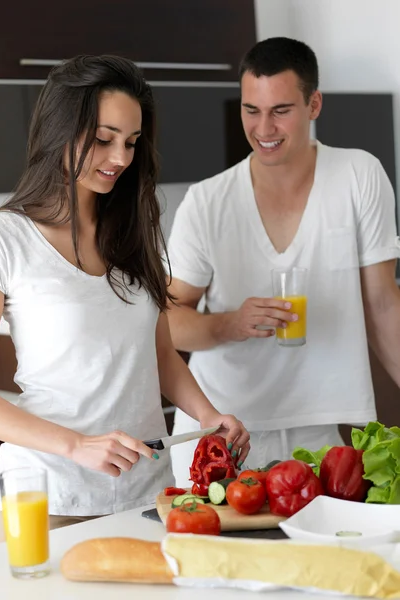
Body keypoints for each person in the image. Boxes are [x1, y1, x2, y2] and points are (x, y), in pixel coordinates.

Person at [0, 55, 249, 540]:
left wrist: (209, 416)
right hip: (49, 496)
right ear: (60, 130)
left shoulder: (133, 234)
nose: (121, 158)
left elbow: (158, 354)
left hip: (146, 493)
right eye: (104, 139)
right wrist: (76, 446)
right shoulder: (0, 238)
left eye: (131, 142)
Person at [166, 37, 400, 486]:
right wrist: (229, 323)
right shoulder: (207, 201)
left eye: (280, 110)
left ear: (314, 104)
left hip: (319, 424)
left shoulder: (358, 175)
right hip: (222, 431)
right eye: (251, 110)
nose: (263, 127)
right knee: (219, 557)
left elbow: (384, 305)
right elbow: (169, 319)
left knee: (321, 555)